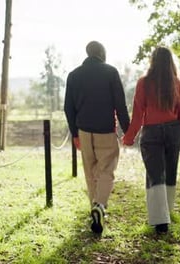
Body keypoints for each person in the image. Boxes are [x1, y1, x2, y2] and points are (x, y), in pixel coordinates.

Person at [122, 46, 180, 234]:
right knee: (169, 172)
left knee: (155, 174)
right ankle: (166, 212)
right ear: (171, 62)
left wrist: (129, 137)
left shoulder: (143, 83)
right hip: (173, 132)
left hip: (151, 133)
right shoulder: (177, 83)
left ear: (152, 61)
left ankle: (162, 221)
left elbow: (138, 114)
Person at [64, 40, 130, 234]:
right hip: (105, 131)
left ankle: (94, 209)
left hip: (83, 131)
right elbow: (120, 105)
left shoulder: (73, 75)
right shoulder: (110, 72)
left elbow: (68, 108)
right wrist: (128, 130)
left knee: (91, 172)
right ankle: (99, 206)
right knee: (106, 170)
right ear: (102, 53)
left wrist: (75, 134)